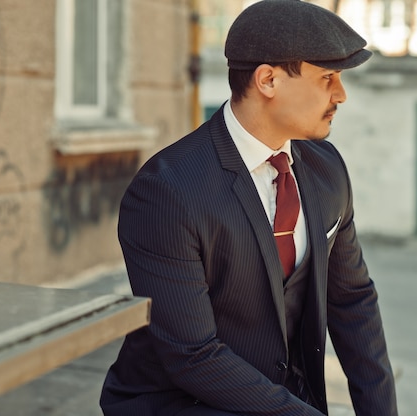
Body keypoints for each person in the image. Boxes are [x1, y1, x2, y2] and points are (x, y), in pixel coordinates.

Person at [100, 0, 398, 414]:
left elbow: (352, 301)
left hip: (289, 397)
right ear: (268, 80)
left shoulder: (327, 169)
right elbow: (194, 355)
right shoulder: (167, 191)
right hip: (185, 402)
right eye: (327, 77)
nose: (341, 94)